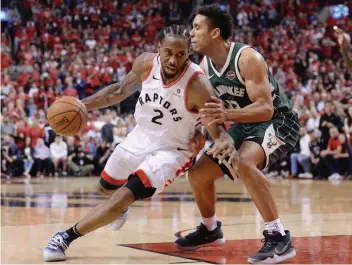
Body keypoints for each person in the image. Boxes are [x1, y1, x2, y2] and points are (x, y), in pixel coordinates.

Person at [42, 24, 229, 262]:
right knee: (105, 188)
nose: (173, 60)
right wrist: (82, 105)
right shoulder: (145, 63)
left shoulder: (198, 85)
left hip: (173, 151)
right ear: (159, 48)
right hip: (140, 136)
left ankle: (64, 237)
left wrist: (206, 136)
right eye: (169, 52)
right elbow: (118, 91)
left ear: (188, 53)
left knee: (123, 195)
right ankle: (119, 209)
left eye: (181, 54)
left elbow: (215, 127)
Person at [174, 5, 299, 264]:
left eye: (197, 27)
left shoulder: (247, 58)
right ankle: (210, 229)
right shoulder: (204, 68)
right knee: (198, 174)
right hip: (242, 126)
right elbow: (210, 114)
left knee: (244, 162)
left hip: (279, 121)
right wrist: (221, 138)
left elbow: (266, 109)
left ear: (215, 32)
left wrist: (226, 118)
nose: (191, 33)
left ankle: (279, 237)